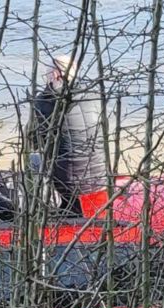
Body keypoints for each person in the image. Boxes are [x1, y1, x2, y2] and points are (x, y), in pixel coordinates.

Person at [28, 56, 107, 217]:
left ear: (55, 74)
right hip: (101, 179)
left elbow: (33, 143)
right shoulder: (94, 94)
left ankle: (41, 208)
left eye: (47, 74)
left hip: (69, 186)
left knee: (32, 159)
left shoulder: (45, 101)